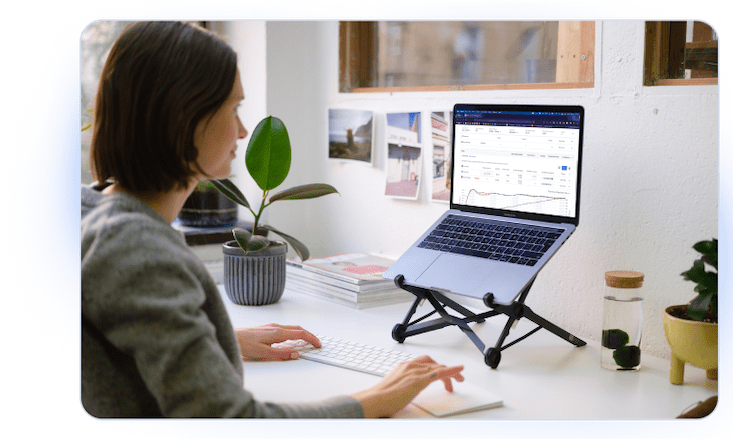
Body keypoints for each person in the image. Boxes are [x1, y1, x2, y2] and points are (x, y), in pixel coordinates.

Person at [80, 21, 464, 419]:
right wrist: (373, 401)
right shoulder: (136, 250)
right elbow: (235, 421)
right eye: (234, 108)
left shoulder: (88, 210)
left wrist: (214, 341)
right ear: (183, 119)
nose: (244, 131)